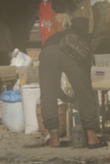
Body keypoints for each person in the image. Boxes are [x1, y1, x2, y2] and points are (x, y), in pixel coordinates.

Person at [38, 13, 103, 148]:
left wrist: (65, 98)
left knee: (47, 94)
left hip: (47, 50)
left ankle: (54, 139)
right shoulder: (81, 43)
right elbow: (84, 88)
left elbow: (51, 88)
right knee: (85, 93)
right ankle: (92, 138)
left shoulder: (56, 36)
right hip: (69, 50)